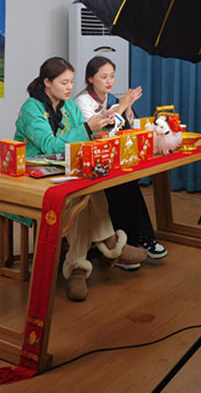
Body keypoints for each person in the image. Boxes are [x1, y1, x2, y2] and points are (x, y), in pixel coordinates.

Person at [14, 56, 147, 301]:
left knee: (88, 190)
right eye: (64, 82)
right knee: (78, 196)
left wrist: (98, 132)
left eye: (71, 82)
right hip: (33, 175)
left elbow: (82, 139)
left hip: (63, 170)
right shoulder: (32, 108)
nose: (69, 88)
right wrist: (87, 129)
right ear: (47, 82)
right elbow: (48, 145)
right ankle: (108, 244)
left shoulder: (69, 106)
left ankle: (78, 267)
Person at [74, 56, 168, 260]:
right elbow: (98, 133)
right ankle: (136, 240)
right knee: (123, 185)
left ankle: (135, 239)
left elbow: (126, 128)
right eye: (104, 77)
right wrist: (121, 107)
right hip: (88, 159)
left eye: (112, 76)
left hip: (110, 157)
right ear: (90, 79)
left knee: (128, 181)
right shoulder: (82, 101)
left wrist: (127, 109)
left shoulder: (110, 99)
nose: (109, 81)